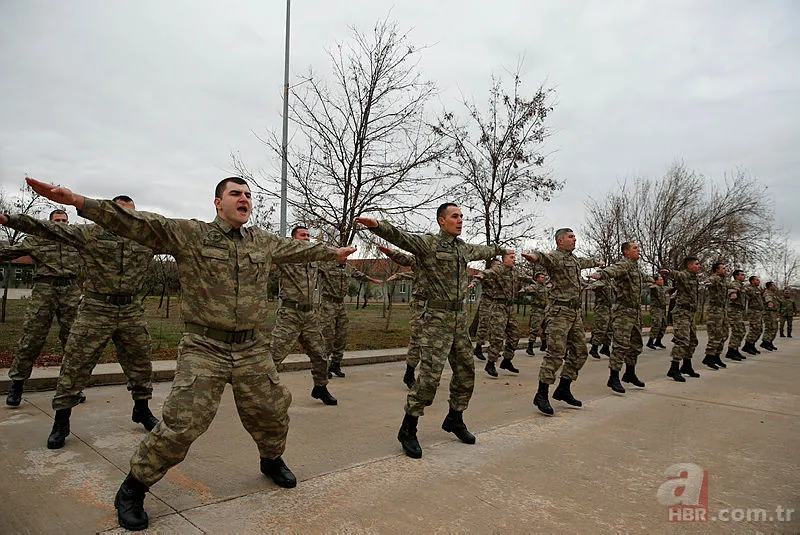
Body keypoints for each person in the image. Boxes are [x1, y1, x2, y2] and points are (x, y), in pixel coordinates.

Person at [23, 176, 355, 531]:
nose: (244, 199)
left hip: (251, 347)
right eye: (235, 194)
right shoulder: (192, 234)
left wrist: (332, 253)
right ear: (218, 203)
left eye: (247, 194)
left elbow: (298, 250)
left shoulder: (261, 241)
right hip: (205, 346)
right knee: (182, 424)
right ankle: (133, 487)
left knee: (272, 412)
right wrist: (79, 201)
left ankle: (271, 459)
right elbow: (138, 222)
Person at [2, 195, 160, 450]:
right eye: (120, 211)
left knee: (140, 361)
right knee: (75, 362)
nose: (127, 217)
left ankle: (141, 409)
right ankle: (61, 421)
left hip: (130, 308)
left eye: (131, 213)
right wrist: (9, 219)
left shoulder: (146, 237)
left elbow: (182, 237)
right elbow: (46, 228)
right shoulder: (91, 234)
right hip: (96, 308)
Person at [356, 204, 507, 459]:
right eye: (454, 216)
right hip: (435, 320)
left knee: (466, 372)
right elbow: (401, 237)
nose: (460, 220)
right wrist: (377, 226)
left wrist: (500, 249)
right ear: (441, 221)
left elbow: (485, 250)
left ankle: (455, 418)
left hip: (458, 321)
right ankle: (408, 428)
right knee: (430, 378)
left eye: (461, 217)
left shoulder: (463, 248)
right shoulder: (428, 244)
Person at [0, 209, 83, 407]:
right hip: (45, 291)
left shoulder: (77, 240)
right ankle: (17, 384)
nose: (61, 223)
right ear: (49, 222)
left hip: (71, 291)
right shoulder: (36, 239)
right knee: (31, 339)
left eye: (64, 220)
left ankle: (71, 388)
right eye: (57, 220)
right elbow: (8, 252)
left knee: (74, 341)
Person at [522, 228, 601, 415]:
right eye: (570, 237)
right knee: (555, 353)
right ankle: (541, 394)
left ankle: (564, 388)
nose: (575, 239)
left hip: (574, 313)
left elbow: (584, 262)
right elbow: (544, 258)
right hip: (559, 313)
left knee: (580, 352)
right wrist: (534, 256)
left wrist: (596, 262)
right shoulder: (556, 257)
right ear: (560, 241)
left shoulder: (574, 259)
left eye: (574, 236)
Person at [265, 225, 342, 406]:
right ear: (294, 239)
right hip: (290, 314)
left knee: (320, 355)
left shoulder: (314, 259)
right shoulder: (285, 257)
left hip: (309, 315)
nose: (307, 238)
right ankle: (262, 391)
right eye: (302, 235)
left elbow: (327, 258)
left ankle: (320, 387)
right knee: (274, 355)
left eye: (308, 235)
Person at [589, 242, 650, 393]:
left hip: (635, 312)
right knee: (620, 345)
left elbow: (645, 278)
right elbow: (613, 269)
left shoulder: (635, 268)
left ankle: (630, 373)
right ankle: (613, 377)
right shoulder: (624, 264)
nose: (638, 250)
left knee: (636, 344)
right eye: (635, 248)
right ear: (626, 252)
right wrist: (601, 274)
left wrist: (655, 279)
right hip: (623, 311)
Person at [317, 256, 382, 379]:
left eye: (348, 255)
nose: (346, 257)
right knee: (327, 336)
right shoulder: (326, 265)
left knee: (342, 335)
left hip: (341, 305)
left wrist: (373, 280)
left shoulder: (348, 268)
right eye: (344, 254)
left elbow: (359, 275)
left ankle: (335, 364)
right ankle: (323, 367)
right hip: (328, 304)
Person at [479, 250, 534, 377]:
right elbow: (489, 272)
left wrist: (539, 282)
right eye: (511, 257)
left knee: (515, 335)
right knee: (497, 337)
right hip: (498, 307)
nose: (514, 259)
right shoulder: (499, 269)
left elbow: (526, 278)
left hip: (510, 308)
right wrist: (482, 275)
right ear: (504, 259)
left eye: (514, 257)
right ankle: (491, 363)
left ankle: (507, 360)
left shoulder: (514, 271)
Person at [378, 245, 424, 389]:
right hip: (420, 306)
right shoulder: (419, 260)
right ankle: (409, 373)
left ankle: (427, 376)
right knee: (417, 339)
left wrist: (400, 275)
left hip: (436, 307)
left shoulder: (438, 265)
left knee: (433, 342)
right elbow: (407, 260)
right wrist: (392, 253)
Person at [660, 257, 702, 382]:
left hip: (690, 313)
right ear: (689, 266)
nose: (699, 266)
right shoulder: (684, 275)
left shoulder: (694, 278)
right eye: (696, 264)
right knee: (682, 340)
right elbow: (676, 274)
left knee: (693, 340)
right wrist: (668, 271)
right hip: (681, 313)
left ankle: (687, 365)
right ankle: (674, 368)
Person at [469, 259, 501, 360]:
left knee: (495, 326)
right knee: (484, 325)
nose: (499, 267)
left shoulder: (500, 276)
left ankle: (493, 349)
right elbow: (479, 277)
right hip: (486, 302)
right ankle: (478, 348)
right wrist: (473, 283)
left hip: (496, 303)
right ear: (492, 266)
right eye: (497, 265)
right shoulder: (486, 273)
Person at [701, 262, 731, 370]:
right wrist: (708, 284)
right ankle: (709, 356)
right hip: (715, 311)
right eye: (723, 268)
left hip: (722, 310)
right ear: (717, 270)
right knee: (715, 334)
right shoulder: (714, 278)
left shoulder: (724, 281)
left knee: (724, 334)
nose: (725, 270)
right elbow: (708, 282)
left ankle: (716, 356)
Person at [725, 269, 748, 361]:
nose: (743, 276)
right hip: (733, 311)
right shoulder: (735, 283)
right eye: (741, 275)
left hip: (738, 311)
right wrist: (733, 294)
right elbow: (731, 289)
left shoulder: (741, 285)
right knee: (737, 330)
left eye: (743, 274)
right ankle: (731, 351)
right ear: (736, 276)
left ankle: (735, 349)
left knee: (740, 331)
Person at [588, 279, 613, 358]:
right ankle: (594, 348)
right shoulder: (600, 282)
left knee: (609, 328)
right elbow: (591, 286)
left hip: (608, 308)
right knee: (600, 328)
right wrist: (591, 286)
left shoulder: (609, 282)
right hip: (601, 309)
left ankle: (605, 347)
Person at [524, 272, 548, 355]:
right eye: (541, 277)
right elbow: (528, 289)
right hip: (537, 311)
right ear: (537, 278)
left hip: (545, 311)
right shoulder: (535, 286)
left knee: (546, 329)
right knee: (535, 329)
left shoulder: (545, 287)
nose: (543, 279)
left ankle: (544, 345)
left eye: (543, 277)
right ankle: (530, 346)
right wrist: (524, 290)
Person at [741, 276, 764, 355]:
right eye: (757, 280)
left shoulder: (757, 289)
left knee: (759, 330)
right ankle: (747, 346)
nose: (759, 281)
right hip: (753, 312)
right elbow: (744, 295)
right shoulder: (748, 288)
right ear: (752, 281)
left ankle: (752, 345)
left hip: (758, 312)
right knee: (754, 329)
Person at [646, 274, 668, 350]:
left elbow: (671, 289)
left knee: (664, 324)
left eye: (662, 279)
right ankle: (650, 342)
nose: (662, 281)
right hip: (655, 309)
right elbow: (650, 286)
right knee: (656, 324)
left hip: (662, 309)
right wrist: (651, 285)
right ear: (656, 281)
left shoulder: (663, 288)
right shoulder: (655, 287)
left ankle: (658, 341)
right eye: (660, 279)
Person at [760, 281, 779, 351]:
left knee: (774, 328)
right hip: (768, 313)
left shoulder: (773, 293)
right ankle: (765, 342)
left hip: (773, 313)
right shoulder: (767, 293)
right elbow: (768, 298)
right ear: (770, 287)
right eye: (774, 285)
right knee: (769, 327)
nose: (775, 287)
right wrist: (769, 302)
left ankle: (770, 342)